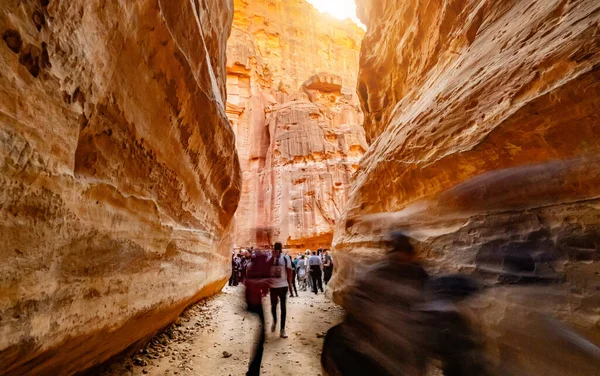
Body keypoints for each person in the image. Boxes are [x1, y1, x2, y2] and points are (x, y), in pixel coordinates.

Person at [244, 249, 271, 376]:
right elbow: (249, 283)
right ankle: (253, 372)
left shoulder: (253, 267)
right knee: (259, 340)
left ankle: (253, 371)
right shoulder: (253, 268)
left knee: (260, 339)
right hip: (254, 304)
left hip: (255, 303)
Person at [269, 242, 293, 338]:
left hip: (279, 286)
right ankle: (281, 329)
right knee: (282, 307)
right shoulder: (272, 258)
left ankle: (277, 323)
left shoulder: (284, 258)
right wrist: (290, 284)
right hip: (279, 286)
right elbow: (290, 272)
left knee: (276, 306)